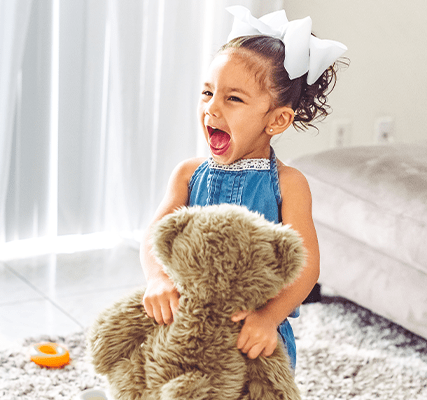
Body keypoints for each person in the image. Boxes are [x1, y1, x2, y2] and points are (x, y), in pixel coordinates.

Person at [139, 6, 347, 369]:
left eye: (233, 98)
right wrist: (157, 279)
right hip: (188, 325)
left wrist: (268, 318)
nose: (212, 108)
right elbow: (155, 235)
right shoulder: (188, 174)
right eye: (207, 93)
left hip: (253, 337)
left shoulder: (288, 184)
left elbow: (307, 266)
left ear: (277, 120)